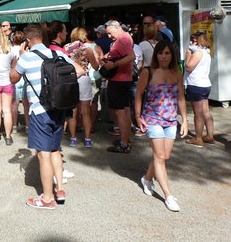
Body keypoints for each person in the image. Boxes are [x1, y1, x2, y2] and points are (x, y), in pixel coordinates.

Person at [10, 24, 85, 209]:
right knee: (54, 150)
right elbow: (81, 70)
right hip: (59, 108)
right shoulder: (57, 54)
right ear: (42, 37)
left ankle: (47, 198)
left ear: (27, 40)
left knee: (43, 155)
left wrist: (18, 57)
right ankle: (60, 190)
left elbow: (13, 78)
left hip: (39, 110)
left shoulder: (26, 58)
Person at [134, 40, 188, 212]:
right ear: (156, 54)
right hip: (152, 118)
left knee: (164, 156)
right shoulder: (147, 72)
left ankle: (147, 179)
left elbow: (180, 97)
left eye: (167, 53)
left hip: (171, 120)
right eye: (160, 53)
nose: (164, 56)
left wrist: (185, 120)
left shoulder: (177, 73)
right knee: (159, 156)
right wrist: (137, 116)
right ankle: (168, 195)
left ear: (172, 55)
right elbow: (138, 96)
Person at [102, 20, 135, 154]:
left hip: (119, 80)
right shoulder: (126, 37)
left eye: (110, 33)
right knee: (125, 111)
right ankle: (125, 139)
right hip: (124, 78)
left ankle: (124, 144)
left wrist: (113, 65)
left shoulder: (122, 39)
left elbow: (131, 56)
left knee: (120, 112)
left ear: (116, 28)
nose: (109, 36)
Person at [65, 27, 99, 148]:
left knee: (73, 111)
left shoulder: (66, 48)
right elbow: (95, 66)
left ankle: (73, 138)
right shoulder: (87, 49)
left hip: (71, 79)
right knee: (86, 112)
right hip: (84, 78)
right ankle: (87, 138)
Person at [184, 32, 215, 147]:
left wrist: (188, 55)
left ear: (199, 40)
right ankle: (210, 136)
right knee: (205, 111)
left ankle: (198, 138)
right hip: (205, 84)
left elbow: (188, 67)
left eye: (193, 40)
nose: (191, 42)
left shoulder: (197, 53)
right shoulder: (206, 52)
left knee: (198, 113)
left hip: (196, 85)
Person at [11, 30, 30, 133]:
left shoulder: (10, 50)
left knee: (14, 104)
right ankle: (27, 126)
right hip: (25, 78)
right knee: (26, 104)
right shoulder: (26, 51)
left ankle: (14, 126)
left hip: (14, 78)